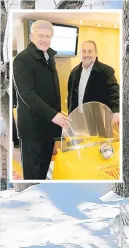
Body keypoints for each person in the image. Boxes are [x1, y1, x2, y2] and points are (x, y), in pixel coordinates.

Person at [12, 20, 68, 180]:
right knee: (33, 177)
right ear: (31, 36)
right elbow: (27, 94)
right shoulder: (22, 60)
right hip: (32, 131)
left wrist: (57, 114)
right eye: (41, 35)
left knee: (43, 173)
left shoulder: (48, 56)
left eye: (48, 36)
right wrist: (53, 115)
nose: (44, 39)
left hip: (49, 128)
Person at [67, 40, 120, 129]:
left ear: (96, 53)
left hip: (98, 121)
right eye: (84, 51)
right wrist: (70, 115)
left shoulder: (106, 71)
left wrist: (116, 111)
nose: (86, 54)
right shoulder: (74, 72)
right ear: (80, 54)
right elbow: (70, 96)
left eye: (90, 51)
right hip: (77, 120)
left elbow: (115, 92)